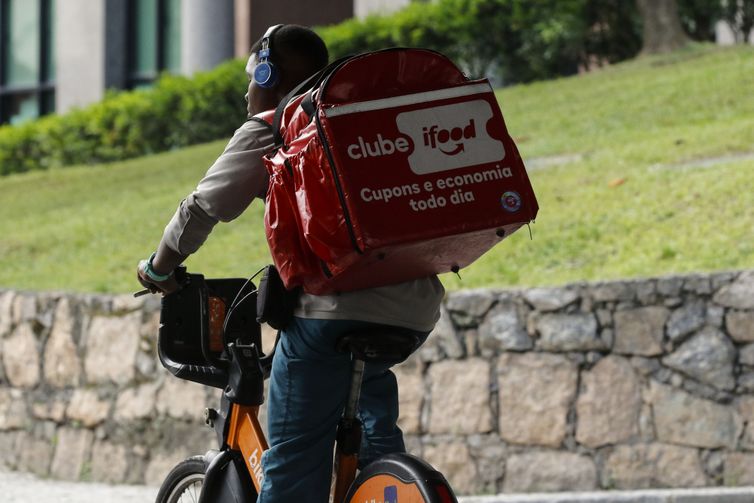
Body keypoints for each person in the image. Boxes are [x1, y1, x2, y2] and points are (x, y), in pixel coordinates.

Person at [136, 24, 444, 503]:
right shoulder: (362, 120)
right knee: (372, 425)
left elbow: (202, 208)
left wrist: (158, 268)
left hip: (331, 314)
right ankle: (385, 481)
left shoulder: (276, 125)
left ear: (267, 72)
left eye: (250, 76)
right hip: (415, 308)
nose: (245, 89)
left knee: (294, 457)